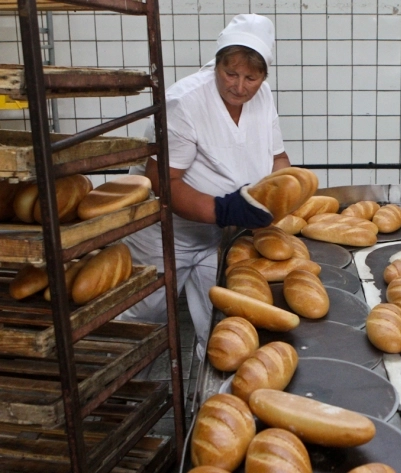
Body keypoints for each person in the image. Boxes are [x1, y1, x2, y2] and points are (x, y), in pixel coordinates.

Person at [118, 14, 289, 359]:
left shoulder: (264, 96)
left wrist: (285, 194)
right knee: (140, 316)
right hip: (169, 236)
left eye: (251, 78)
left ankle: (208, 389)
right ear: (217, 64)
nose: (240, 86)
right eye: (231, 73)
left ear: (264, 77)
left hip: (220, 237)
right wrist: (223, 209)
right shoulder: (187, 102)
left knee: (221, 324)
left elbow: (278, 159)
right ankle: (106, 382)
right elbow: (163, 181)